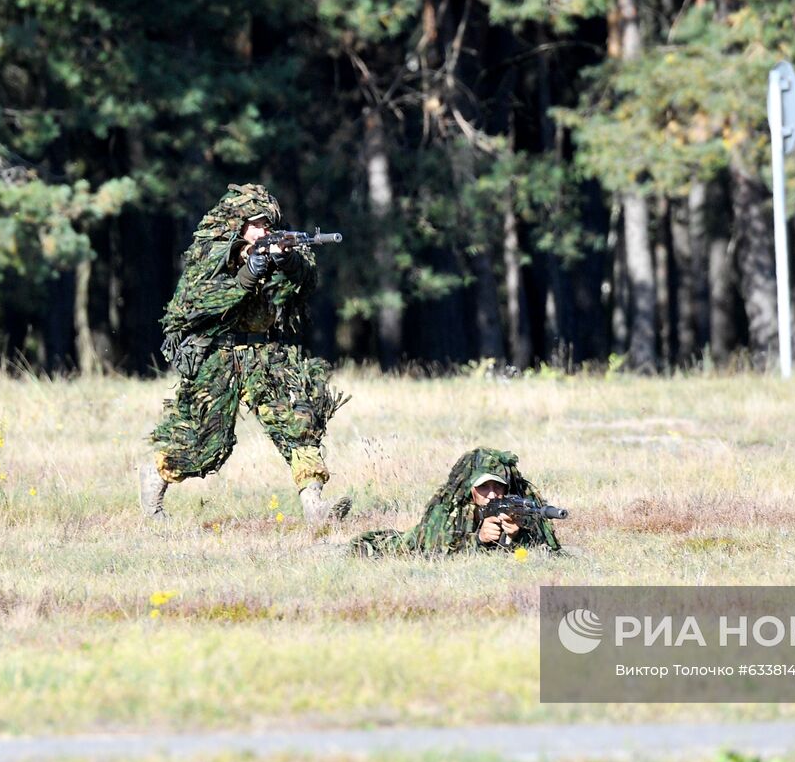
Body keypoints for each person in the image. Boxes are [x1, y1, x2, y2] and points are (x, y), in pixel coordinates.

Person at [138, 183, 349, 523]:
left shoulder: (277, 248)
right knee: (203, 443)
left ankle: (315, 506)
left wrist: (287, 260)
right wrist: (248, 273)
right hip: (217, 357)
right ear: (238, 224)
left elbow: (306, 282)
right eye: (256, 223)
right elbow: (196, 303)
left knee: (298, 422)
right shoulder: (211, 256)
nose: (264, 230)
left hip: (263, 354)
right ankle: (154, 476)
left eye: (268, 224)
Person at [350, 447, 562, 556]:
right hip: (417, 542)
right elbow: (435, 552)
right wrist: (479, 539)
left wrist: (515, 536)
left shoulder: (513, 503)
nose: (491, 494)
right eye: (483, 487)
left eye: (497, 486)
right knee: (385, 546)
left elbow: (541, 548)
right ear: (471, 488)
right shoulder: (450, 508)